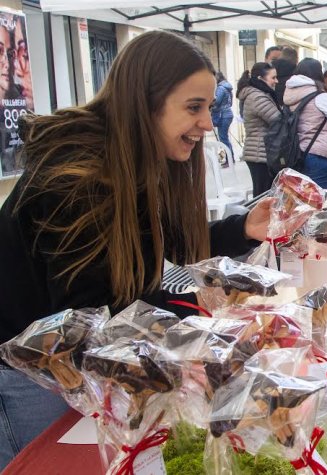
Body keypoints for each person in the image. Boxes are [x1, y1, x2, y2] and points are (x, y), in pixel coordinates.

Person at [0, 30, 272, 468]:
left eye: (208, 107)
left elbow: (166, 243)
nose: (208, 123)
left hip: (79, 364)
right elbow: (90, 316)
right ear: (145, 104)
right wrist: (189, 340)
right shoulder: (78, 178)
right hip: (30, 374)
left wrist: (243, 228)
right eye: (194, 107)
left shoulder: (129, 161)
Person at [283, 59, 327, 189]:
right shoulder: (320, 96)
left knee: (303, 198)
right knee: (321, 198)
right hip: (320, 155)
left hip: (296, 155)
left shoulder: (289, 95)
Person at [237, 62, 280, 197]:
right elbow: (277, 120)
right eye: (273, 78)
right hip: (259, 154)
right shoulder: (258, 97)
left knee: (263, 194)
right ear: (260, 79)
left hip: (259, 153)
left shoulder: (257, 94)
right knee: (263, 196)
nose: (276, 81)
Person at [211, 71, 234, 164]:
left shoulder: (220, 88)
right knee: (224, 138)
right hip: (227, 114)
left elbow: (216, 101)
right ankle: (230, 158)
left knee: (223, 138)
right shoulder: (227, 87)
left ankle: (229, 159)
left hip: (222, 115)